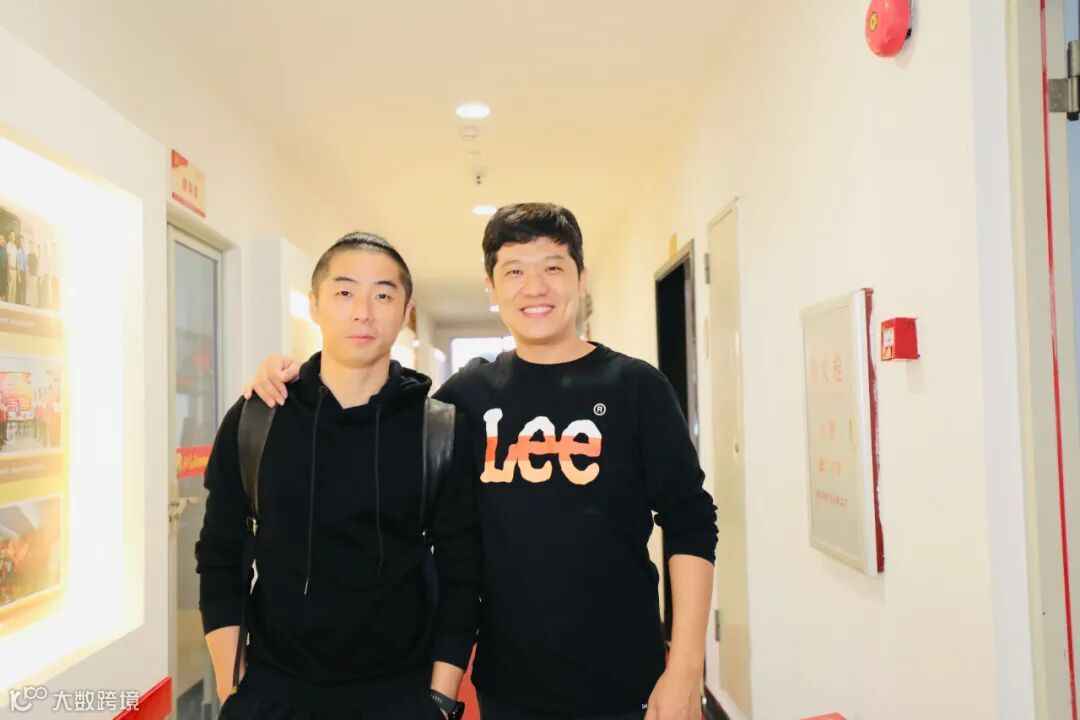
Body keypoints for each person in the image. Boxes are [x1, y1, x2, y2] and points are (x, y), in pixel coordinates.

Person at [247, 204, 718, 720]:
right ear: (492, 288)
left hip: (626, 681)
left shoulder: (636, 387)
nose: (534, 287)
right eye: (514, 271)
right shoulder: (465, 397)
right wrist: (290, 379)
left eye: (552, 267)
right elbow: (371, 413)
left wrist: (685, 666)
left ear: (581, 279)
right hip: (506, 684)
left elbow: (691, 522)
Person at [198, 232, 479, 719]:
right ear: (315, 304)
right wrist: (232, 688)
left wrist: (439, 700)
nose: (363, 312)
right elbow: (220, 553)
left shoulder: (438, 429)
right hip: (272, 690)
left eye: (383, 295)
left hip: (400, 694)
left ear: (406, 312)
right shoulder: (259, 418)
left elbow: (463, 571)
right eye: (345, 292)